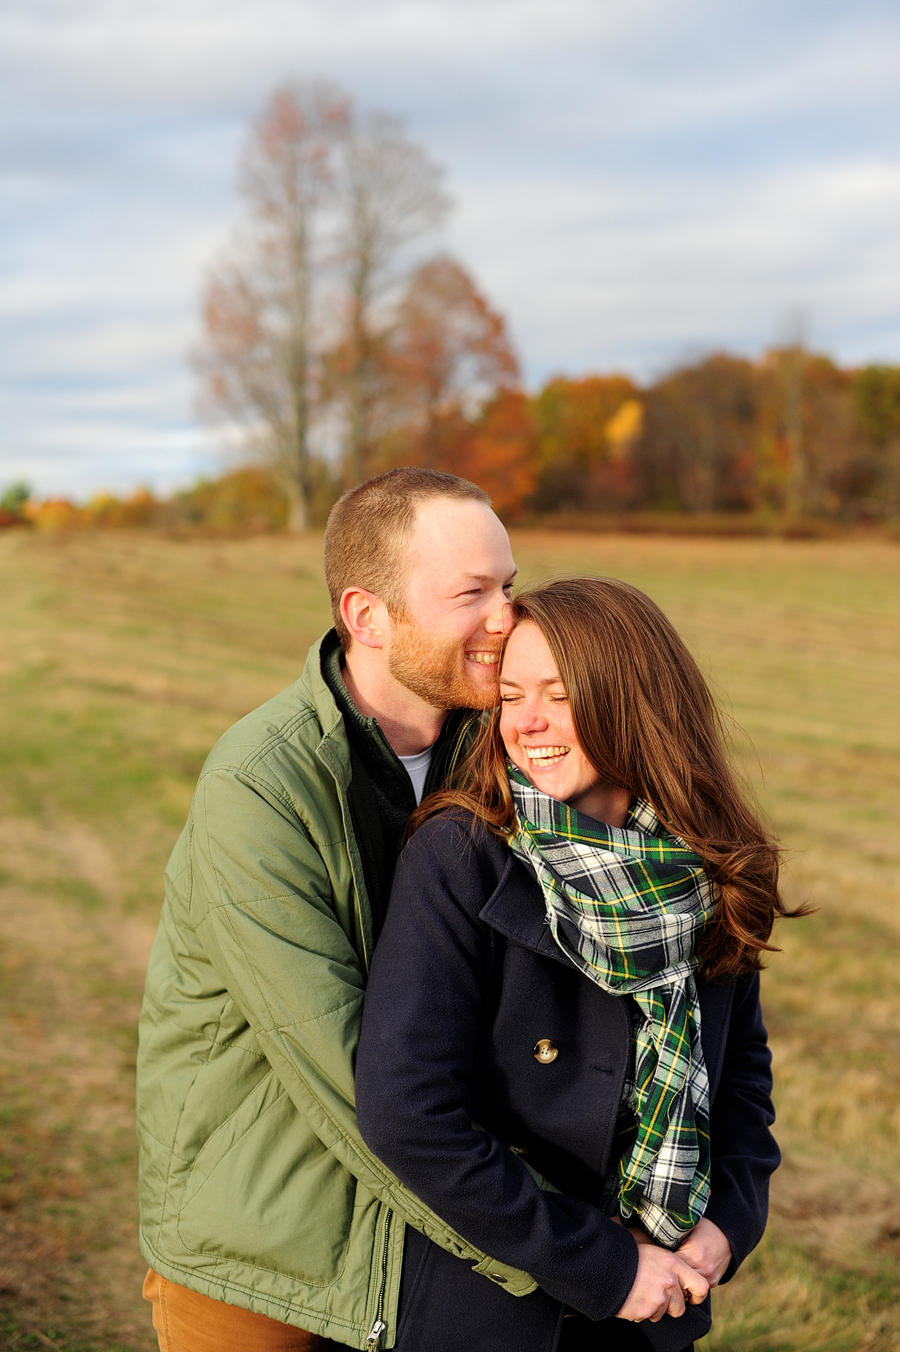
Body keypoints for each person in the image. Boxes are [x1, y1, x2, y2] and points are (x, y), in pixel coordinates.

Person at [136, 467, 539, 1352]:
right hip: (261, 1248)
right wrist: (556, 1250)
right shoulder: (262, 782)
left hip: (432, 1234)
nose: (507, 617)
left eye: (509, 585)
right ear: (366, 616)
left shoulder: (507, 752)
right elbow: (351, 1065)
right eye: (472, 592)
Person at [356, 576, 791, 1352]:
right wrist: (601, 1263)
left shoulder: (707, 865)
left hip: (661, 1304)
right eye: (512, 694)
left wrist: (729, 1220)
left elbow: (742, 1075)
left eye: (559, 695)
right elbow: (407, 1112)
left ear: (635, 701)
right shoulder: (462, 856)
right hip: (495, 1307)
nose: (528, 723)